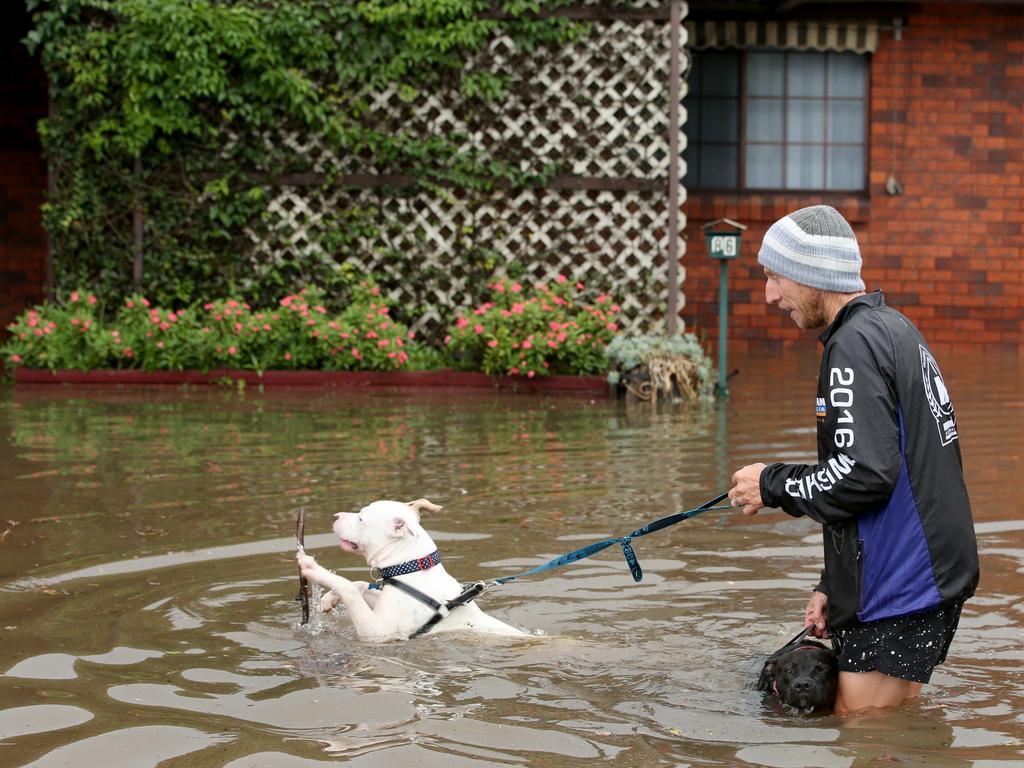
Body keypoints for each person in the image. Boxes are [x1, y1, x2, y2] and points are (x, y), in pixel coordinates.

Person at [728, 204, 979, 715]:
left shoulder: (853, 344)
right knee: (903, 728)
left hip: (902, 585)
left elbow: (864, 474)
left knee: (861, 734)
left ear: (812, 273)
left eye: (775, 276)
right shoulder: (894, 328)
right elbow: (891, 466)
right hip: (928, 577)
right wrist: (833, 586)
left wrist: (770, 483)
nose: (769, 295)